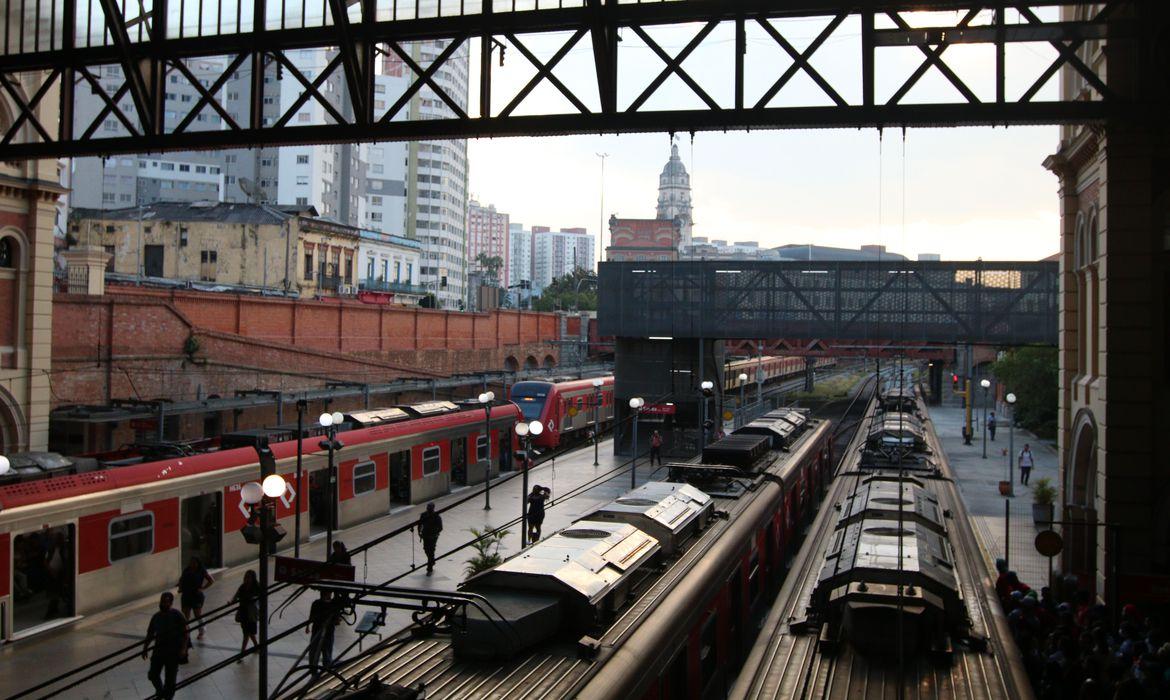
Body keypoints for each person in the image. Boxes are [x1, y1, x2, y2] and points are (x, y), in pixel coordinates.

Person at [142, 592, 188, 700]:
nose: (163, 604)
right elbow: (150, 634)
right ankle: (161, 692)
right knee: (153, 674)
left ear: (171, 603)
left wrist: (183, 649)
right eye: (162, 601)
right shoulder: (156, 617)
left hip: (173, 651)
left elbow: (186, 633)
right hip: (159, 650)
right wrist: (145, 648)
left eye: (166, 602)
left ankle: (167, 697)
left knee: (170, 679)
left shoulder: (177, 615)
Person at [177, 556, 213, 640]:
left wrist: (203, 588)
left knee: (197, 614)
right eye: (191, 562)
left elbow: (211, 580)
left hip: (196, 595)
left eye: (194, 562)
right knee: (186, 615)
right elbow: (181, 579)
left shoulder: (201, 570)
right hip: (186, 594)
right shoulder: (187, 570)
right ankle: (186, 632)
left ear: (198, 563)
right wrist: (180, 587)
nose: (192, 564)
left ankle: (202, 631)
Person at [230, 569, 260, 658]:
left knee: (248, 633)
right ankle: (254, 647)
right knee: (247, 633)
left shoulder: (256, 587)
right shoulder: (242, 587)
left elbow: (260, 598)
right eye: (245, 577)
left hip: (251, 613)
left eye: (248, 577)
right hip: (243, 612)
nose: (246, 579)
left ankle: (243, 652)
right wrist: (231, 601)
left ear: (252, 578)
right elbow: (236, 596)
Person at [307, 589, 338, 672]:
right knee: (323, 651)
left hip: (323, 631)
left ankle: (315, 668)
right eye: (329, 593)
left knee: (318, 651)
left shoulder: (316, 603)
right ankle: (323, 668)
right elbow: (336, 620)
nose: (330, 595)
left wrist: (308, 626)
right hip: (325, 631)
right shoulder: (332, 604)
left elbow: (311, 616)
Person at [418, 503, 443, 575]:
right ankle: (432, 560)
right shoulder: (423, 515)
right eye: (427, 507)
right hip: (425, 535)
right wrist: (419, 532)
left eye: (430, 507)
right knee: (426, 549)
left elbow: (440, 528)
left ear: (433, 508)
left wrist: (435, 533)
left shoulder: (437, 516)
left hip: (433, 537)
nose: (428, 508)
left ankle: (429, 569)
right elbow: (419, 524)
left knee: (431, 550)